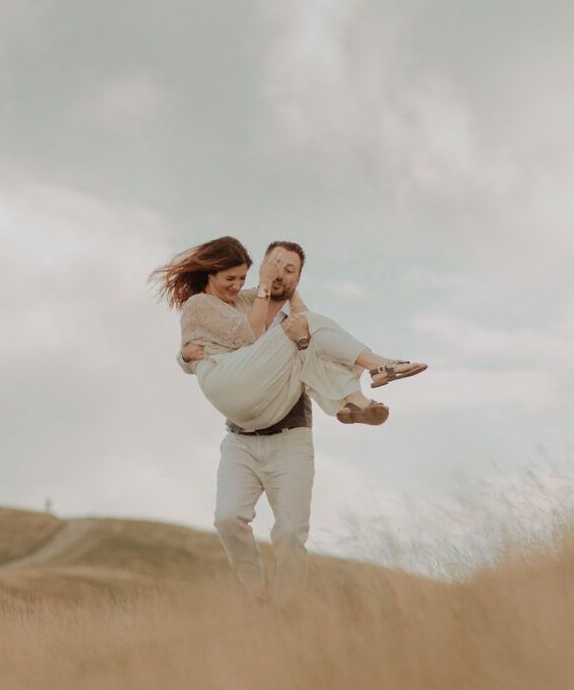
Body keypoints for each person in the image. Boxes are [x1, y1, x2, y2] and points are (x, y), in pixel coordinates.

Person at [150, 237, 426, 606]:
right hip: (240, 426)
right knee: (228, 519)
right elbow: (241, 337)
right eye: (233, 278)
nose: (237, 286)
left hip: (288, 433)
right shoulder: (214, 303)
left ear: (299, 278)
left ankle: (285, 608)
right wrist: (186, 356)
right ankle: (371, 374)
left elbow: (307, 330)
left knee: (291, 533)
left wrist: (290, 307)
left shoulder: (279, 310)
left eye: (289, 270)